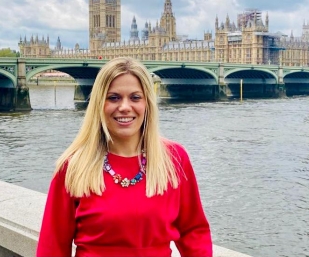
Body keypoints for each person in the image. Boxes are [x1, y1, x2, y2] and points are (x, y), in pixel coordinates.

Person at [37, 57, 212, 257]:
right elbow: (52, 247)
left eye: (135, 98)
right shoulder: (73, 166)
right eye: (114, 98)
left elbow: (194, 232)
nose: (125, 107)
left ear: (147, 102)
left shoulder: (174, 160)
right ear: (99, 104)